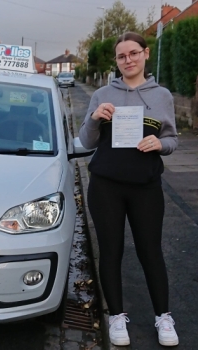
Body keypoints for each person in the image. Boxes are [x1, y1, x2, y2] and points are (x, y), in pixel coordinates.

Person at [79, 32, 179, 347]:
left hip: (145, 186)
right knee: (111, 251)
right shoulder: (103, 93)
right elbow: (86, 141)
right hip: (105, 185)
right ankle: (117, 317)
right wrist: (95, 118)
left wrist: (159, 143)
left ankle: (163, 317)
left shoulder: (162, 95)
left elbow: (173, 139)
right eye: (121, 56)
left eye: (133, 53)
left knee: (151, 251)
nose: (128, 60)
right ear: (117, 61)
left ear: (145, 54)